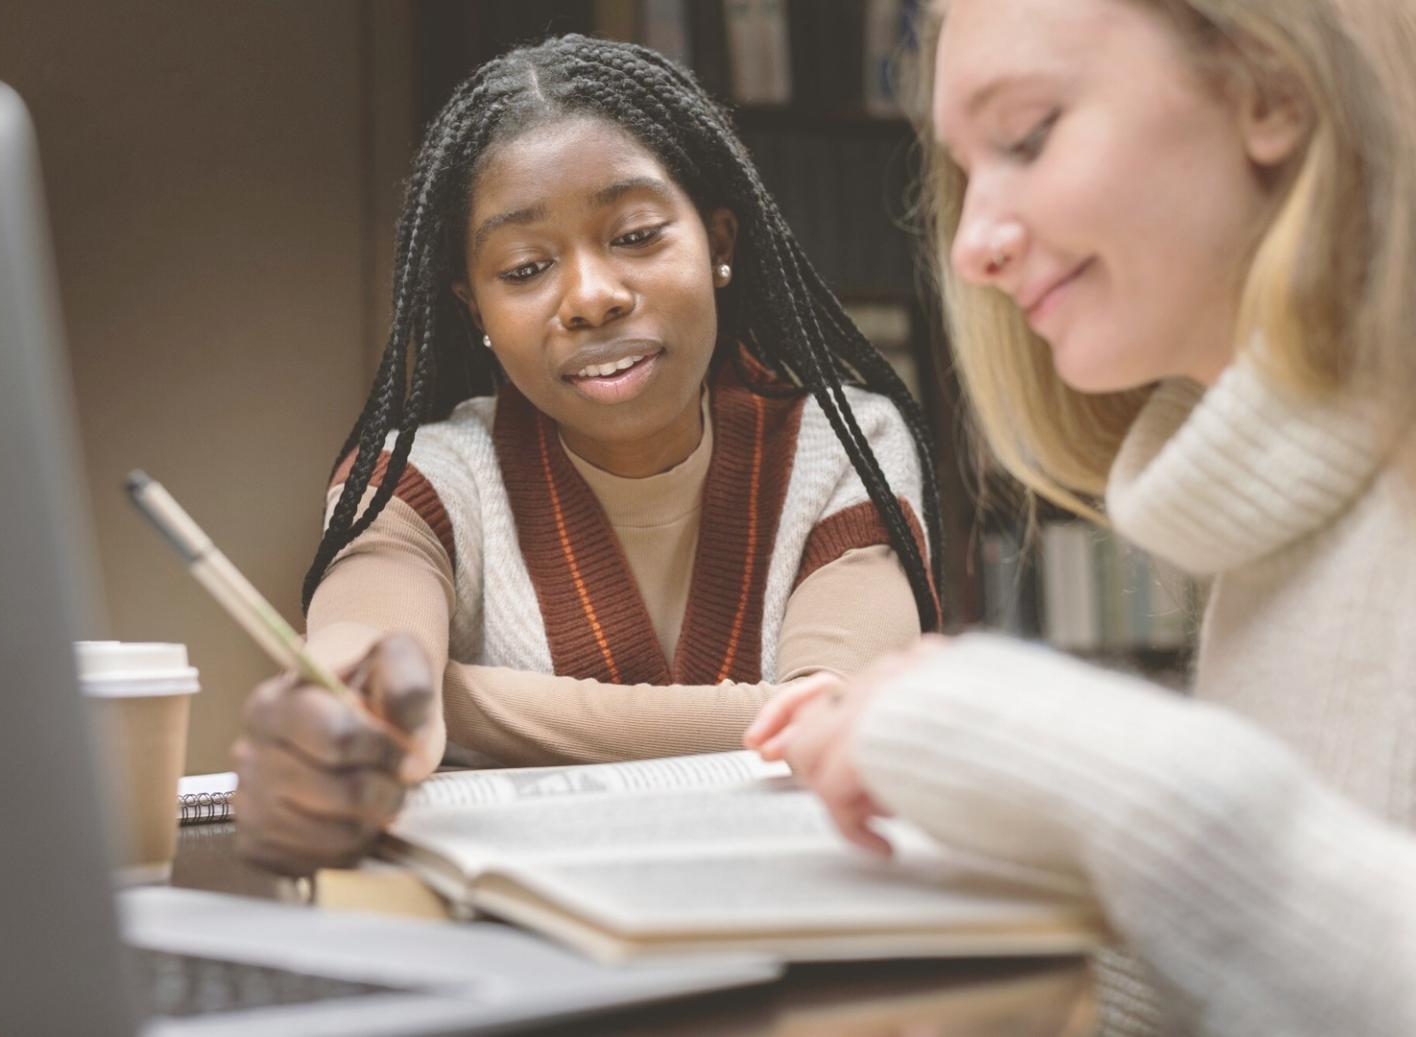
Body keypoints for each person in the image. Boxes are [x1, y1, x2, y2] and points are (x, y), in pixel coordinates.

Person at [748, 0, 1416, 1033]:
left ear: (1270, 91)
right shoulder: (1270, 538)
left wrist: (1070, 752)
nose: (972, 246)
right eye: (964, 171)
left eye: (1026, 135)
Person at [231, 34, 947, 876]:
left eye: (637, 235)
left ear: (718, 242)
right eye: (527, 266)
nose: (591, 297)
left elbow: (834, 715)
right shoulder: (415, 479)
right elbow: (368, 669)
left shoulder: (845, 446)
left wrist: (451, 702)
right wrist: (350, 706)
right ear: (476, 310)